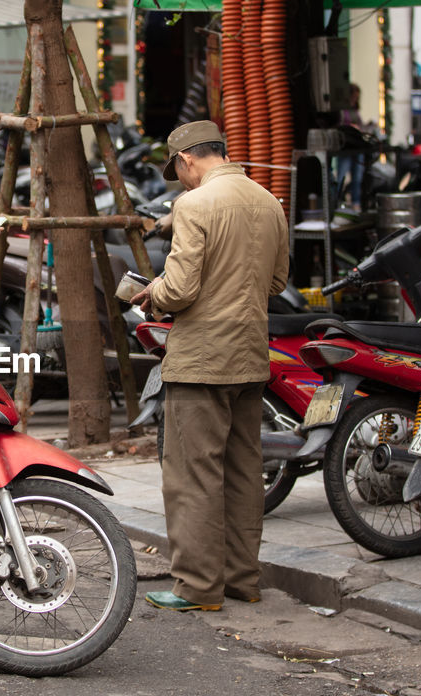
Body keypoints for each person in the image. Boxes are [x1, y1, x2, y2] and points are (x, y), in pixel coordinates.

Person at [130, 121, 288, 612]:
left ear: (186, 159)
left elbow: (178, 290)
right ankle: (243, 578)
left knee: (192, 475)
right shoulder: (268, 202)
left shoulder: (193, 205)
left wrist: (150, 293)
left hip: (200, 359)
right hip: (249, 354)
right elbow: (278, 281)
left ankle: (198, 587)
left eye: (177, 169)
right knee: (244, 470)